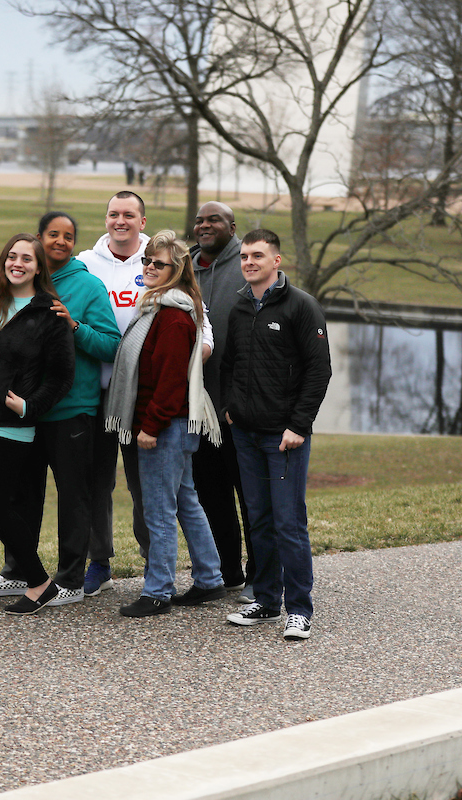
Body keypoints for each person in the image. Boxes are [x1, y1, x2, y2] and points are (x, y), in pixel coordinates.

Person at [77, 191, 213, 596]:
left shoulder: (172, 308)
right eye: (113, 213)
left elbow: (189, 347)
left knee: (155, 501)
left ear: (142, 220)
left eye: (129, 214)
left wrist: (195, 358)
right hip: (107, 397)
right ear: (105, 219)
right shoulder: (88, 265)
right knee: (172, 496)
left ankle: (158, 583)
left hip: (155, 411)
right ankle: (208, 577)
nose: (151, 266)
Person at [0, 212, 121, 606]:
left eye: (69, 236)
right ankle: (18, 569)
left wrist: (75, 326)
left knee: (74, 496)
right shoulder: (20, 283)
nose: (61, 242)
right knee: (21, 494)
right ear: (38, 238)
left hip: (73, 410)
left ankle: (70, 577)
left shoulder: (88, 286)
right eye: (54, 234)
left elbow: (112, 345)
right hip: (25, 411)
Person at [103, 230, 225, 617]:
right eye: (147, 261)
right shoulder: (159, 308)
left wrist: (150, 428)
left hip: (167, 426)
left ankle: (158, 591)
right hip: (176, 425)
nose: (150, 267)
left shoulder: (172, 317)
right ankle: (209, 579)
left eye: (158, 263)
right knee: (186, 502)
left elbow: (170, 382)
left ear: (178, 270)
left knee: (158, 510)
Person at [221, 229, 333, 641]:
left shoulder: (301, 306)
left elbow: (319, 371)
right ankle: (266, 601)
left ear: (277, 260)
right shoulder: (238, 307)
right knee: (260, 521)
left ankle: (299, 609)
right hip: (246, 433)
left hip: (284, 437)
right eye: (245, 256)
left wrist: (299, 426)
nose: (249, 262)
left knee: (289, 523)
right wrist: (230, 410)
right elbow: (229, 364)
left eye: (258, 255)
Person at [0, 234, 75, 615]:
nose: (17, 263)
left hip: (9, 422)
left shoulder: (49, 313)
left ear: (39, 267)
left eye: (27, 258)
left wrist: (29, 406)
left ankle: (39, 582)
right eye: (12, 256)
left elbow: (61, 377)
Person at [190, 201, 255, 598]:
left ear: (232, 226)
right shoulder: (186, 270)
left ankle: (260, 574)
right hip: (198, 408)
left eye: (214, 219)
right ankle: (226, 571)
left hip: (238, 409)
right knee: (210, 495)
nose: (205, 225)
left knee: (250, 496)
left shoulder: (245, 267)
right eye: (199, 220)